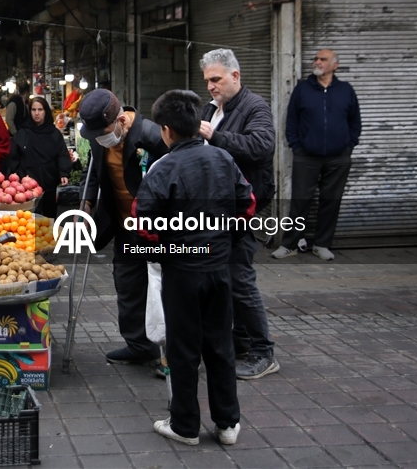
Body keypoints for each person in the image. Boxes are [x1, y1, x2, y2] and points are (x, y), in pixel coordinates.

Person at [135, 89, 255, 446]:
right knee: (220, 345)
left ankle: (185, 425)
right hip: (219, 269)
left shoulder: (163, 168)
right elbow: (247, 205)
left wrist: (164, 249)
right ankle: (228, 423)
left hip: (182, 273)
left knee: (183, 349)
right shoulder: (223, 158)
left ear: (166, 130)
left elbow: (143, 222)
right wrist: (225, 242)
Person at [198, 48, 278, 380]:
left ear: (235, 76)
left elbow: (261, 146)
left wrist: (215, 136)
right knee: (228, 279)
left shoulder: (254, 107)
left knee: (240, 279)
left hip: (243, 208)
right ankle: (241, 342)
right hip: (218, 208)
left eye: (216, 80)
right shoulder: (211, 109)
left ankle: (263, 352)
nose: (211, 87)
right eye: (207, 81)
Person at [79, 89, 168, 367]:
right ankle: (139, 345)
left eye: (103, 131)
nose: (99, 138)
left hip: (156, 228)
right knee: (128, 285)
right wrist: (87, 203)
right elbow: (93, 172)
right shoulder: (98, 138)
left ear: (121, 120)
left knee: (162, 288)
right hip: (123, 224)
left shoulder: (152, 136)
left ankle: (172, 352)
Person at [273, 49, 361, 261]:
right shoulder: (303, 89)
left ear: (335, 65)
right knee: (300, 201)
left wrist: (349, 146)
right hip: (307, 156)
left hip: (338, 157)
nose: (317, 62)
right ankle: (290, 244)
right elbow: (291, 121)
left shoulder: (345, 90)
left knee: (331, 201)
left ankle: (322, 244)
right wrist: (297, 146)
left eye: (323, 59)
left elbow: (355, 122)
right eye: (316, 58)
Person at [9, 96, 71, 219]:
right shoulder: (23, 132)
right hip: (27, 185)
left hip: (49, 180)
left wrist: (63, 172)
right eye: (33, 110)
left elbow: (62, 154)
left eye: (40, 109)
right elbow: (14, 156)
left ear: (46, 111)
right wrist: (15, 178)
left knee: (48, 217)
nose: (37, 113)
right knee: (27, 219)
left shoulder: (54, 134)